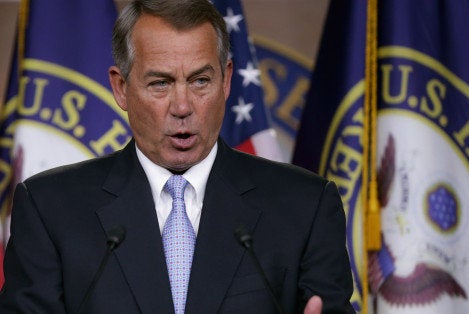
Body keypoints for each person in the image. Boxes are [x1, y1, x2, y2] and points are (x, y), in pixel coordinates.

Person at [0, 0, 354, 313]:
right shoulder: (50, 209)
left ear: (227, 81)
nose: (182, 107)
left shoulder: (306, 207)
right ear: (121, 88)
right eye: (160, 83)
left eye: (200, 81)